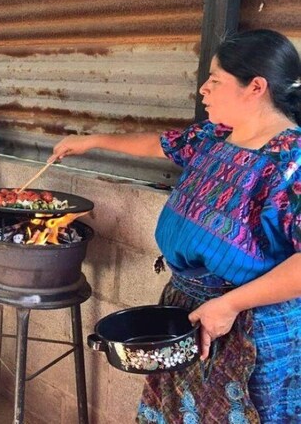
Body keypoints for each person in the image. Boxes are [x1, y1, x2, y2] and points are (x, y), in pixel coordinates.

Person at [51, 29, 301, 423]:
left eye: (216, 80)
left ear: (256, 87)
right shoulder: (215, 137)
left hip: (248, 326)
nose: (204, 89)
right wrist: (90, 140)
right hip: (187, 315)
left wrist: (230, 305)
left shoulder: (290, 161)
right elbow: (158, 144)